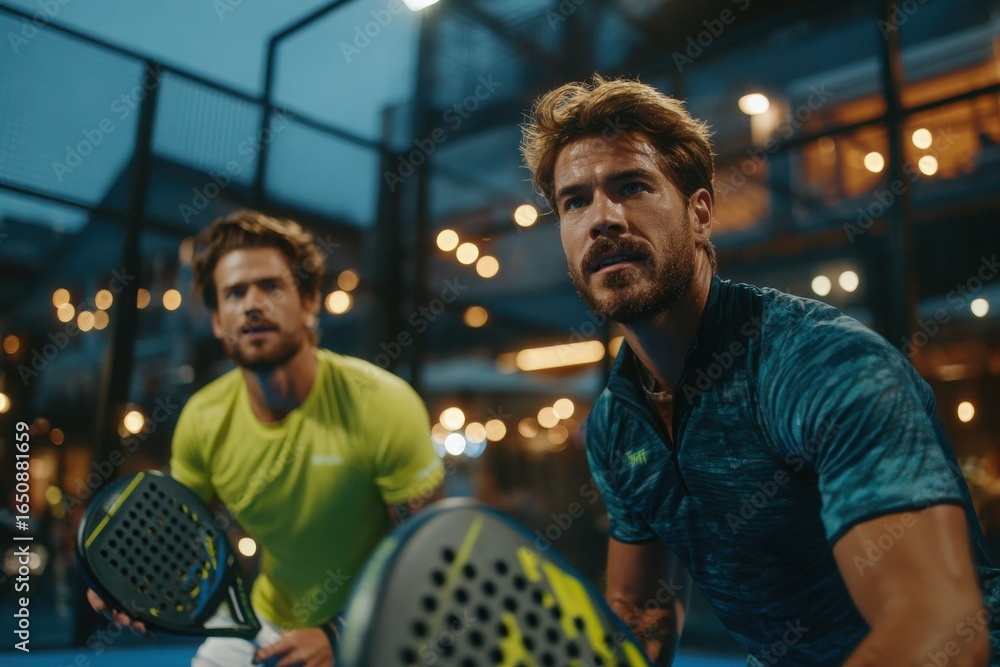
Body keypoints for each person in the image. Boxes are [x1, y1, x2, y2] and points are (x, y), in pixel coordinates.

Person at [521, 76, 1000, 666]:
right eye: (575, 201)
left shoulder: (823, 365)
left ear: (700, 214)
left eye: (633, 186)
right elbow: (638, 611)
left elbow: (940, 634)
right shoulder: (618, 424)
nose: (604, 218)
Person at [87, 210, 445, 667]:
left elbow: (434, 557)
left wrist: (340, 633)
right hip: (268, 619)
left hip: (380, 621)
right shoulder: (202, 419)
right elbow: (178, 540)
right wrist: (128, 585)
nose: (253, 304)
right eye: (234, 293)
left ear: (309, 302)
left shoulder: (383, 403)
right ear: (217, 320)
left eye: (271, 287)